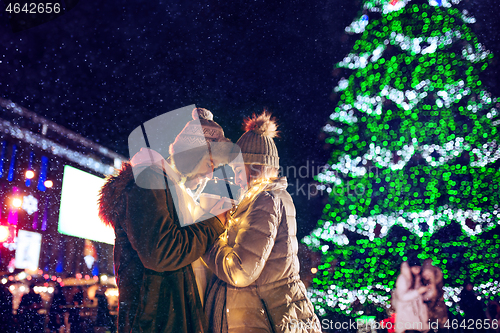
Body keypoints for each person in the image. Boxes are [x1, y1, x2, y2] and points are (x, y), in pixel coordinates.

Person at [98, 108, 231, 333]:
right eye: (210, 162)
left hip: (168, 319)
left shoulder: (175, 189)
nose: (210, 174)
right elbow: (161, 252)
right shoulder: (148, 180)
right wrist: (214, 223)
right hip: (156, 323)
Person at [203, 111, 322, 333]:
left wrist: (208, 238)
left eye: (238, 167)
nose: (232, 174)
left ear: (255, 168)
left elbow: (240, 272)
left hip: (263, 318)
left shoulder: (264, 200)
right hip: (264, 314)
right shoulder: (261, 198)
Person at [392, 262, 429, 333]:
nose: (418, 270)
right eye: (415, 268)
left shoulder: (417, 279)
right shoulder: (403, 279)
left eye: (419, 268)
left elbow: (420, 301)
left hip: (416, 320)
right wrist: (418, 292)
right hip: (407, 319)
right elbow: (402, 297)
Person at [421, 259, 448, 331]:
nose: (426, 275)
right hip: (428, 314)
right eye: (425, 273)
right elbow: (424, 298)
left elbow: (437, 296)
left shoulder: (437, 283)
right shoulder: (423, 283)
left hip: (439, 313)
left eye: (428, 273)